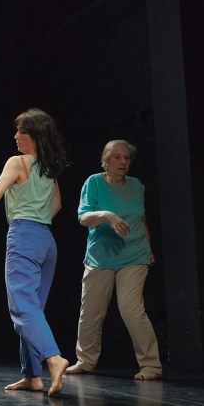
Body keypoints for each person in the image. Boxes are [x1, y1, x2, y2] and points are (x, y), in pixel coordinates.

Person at [0, 108, 71, 396]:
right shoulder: (47, 169)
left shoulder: (18, 162)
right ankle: (32, 375)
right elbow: (57, 205)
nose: (16, 136)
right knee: (33, 308)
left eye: (21, 131)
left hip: (24, 235)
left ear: (35, 136)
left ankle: (54, 358)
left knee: (22, 306)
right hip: (46, 240)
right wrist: (38, 221)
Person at [65, 140, 162, 381]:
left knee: (131, 308)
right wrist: (107, 215)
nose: (123, 162)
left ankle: (151, 365)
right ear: (105, 161)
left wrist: (148, 247)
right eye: (117, 157)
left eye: (127, 158)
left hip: (135, 255)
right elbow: (83, 218)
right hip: (100, 256)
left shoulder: (136, 185)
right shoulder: (94, 182)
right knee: (91, 311)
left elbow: (141, 219)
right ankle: (85, 361)